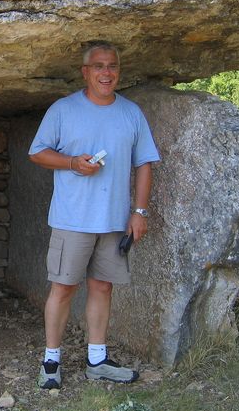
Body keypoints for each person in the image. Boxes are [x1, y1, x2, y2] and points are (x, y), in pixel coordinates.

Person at [28, 41, 160, 389]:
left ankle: (97, 360)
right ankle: (51, 361)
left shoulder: (131, 113)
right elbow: (37, 152)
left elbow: (144, 163)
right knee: (63, 288)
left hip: (114, 219)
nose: (106, 72)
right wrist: (72, 162)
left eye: (112, 66)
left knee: (102, 287)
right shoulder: (63, 109)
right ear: (85, 72)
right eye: (99, 66)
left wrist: (139, 212)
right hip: (73, 218)